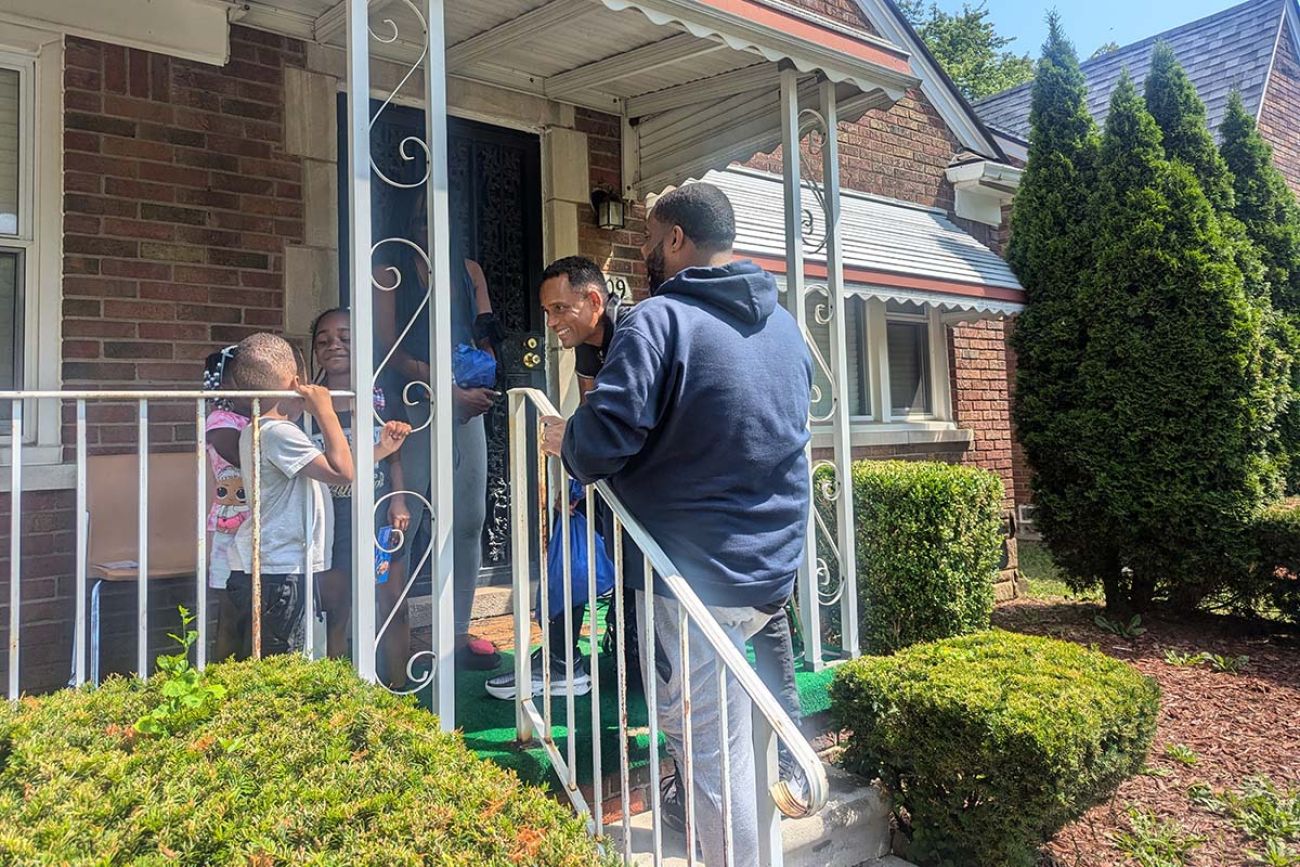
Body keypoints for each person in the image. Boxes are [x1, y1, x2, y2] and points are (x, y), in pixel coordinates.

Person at [541, 183, 812, 867]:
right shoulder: (783, 323)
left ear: (677, 240)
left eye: (649, 241)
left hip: (687, 576)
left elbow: (603, 441)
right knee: (739, 743)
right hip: (769, 565)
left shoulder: (657, 320)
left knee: (711, 753)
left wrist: (565, 436)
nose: (643, 256)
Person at [375, 200, 504, 672]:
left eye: (438, 219)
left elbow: (484, 332)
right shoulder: (390, 267)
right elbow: (386, 347)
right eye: (421, 219)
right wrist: (441, 386)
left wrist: (481, 379)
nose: (430, 228)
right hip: (409, 405)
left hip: (466, 407)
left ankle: (458, 632)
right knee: (401, 521)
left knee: (468, 517)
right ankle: (389, 633)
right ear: (407, 222)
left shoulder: (468, 270)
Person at [483, 256, 619, 700]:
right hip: (612, 475)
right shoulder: (585, 346)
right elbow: (592, 411)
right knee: (569, 544)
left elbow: (626, 420)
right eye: (547, 312)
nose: (551, 321)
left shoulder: (634, 335)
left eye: (560, 308)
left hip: (657, 487)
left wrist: (580, 444)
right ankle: (563, 659)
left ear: (594, 300)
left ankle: (578, 660)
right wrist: (578, 477)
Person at [227, 333, 354, 657]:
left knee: (272, 660)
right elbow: (343, 472)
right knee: (288, 663)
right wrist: (325, 411)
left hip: (274, 567)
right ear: (296, 383)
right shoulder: (279, 432)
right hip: (282, 571)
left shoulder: (257, 429)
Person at [309, 308, 412, 672]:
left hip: (377, 512)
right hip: (330, 520)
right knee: (336, 607)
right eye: (323, 340)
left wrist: (398, 498)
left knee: (391, 601)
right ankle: (341, 694)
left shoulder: (379, 396)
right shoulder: (305, 404)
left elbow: (394, 454)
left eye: (345, 338)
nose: (333, 345)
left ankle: (400, 688)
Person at [202, 345, 250, 661]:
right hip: (232, 527)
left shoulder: (255, 417)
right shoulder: (221, 420)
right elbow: (243, 458)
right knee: (232, 609)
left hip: (262, 522)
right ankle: (225, 678)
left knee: (258, 608)